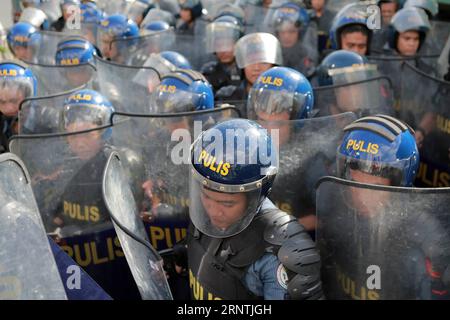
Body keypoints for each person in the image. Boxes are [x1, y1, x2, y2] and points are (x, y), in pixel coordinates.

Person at [176, 118, 323, 300]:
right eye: (206, 197)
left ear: (255, 195)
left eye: (227, 203)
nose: (213, 211)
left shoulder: (280, 254)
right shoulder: (206, 216)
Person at [318, 114, 450, 299]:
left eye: (375, 186)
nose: (360, 195)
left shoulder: (419, 245)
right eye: (353, 181)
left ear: (397, 184)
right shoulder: (333, 206)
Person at [215, 32, 283, 117]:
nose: (256, 68)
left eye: (263, 62)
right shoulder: (227, 97)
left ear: (273, 66)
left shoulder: (283, 99)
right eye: (250, 62)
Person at [315, 50, 394, 118]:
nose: (359, 92)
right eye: (349, 86)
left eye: (363, 85)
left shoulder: (371, 122)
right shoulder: (317, 127)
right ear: (331, 93)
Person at [268, 2, 318, 77]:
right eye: (282, 31)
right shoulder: (271, 56)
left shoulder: (307, 56)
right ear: (277, 33)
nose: (286, 36)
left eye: (291, 31)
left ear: (300, 33)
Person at [201, 14, 244, 92]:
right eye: (218, 45)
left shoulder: (246, 70)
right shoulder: (209, 71)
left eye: (227, 44)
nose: (223, 50)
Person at [0, 61, 36, 154]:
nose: (8, 109)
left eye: (14, 101)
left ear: (27, 95)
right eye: (1, 102)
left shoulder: (48, 120)